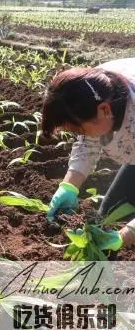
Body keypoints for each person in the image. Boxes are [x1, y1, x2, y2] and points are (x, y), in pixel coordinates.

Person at [43, 60, 135, 252]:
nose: (81, 135)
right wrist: (69, 186)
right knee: (109, 215)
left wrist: (126, 235)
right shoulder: (96, 88)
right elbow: (88, 142)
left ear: (105, 110)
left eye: (80, 129)